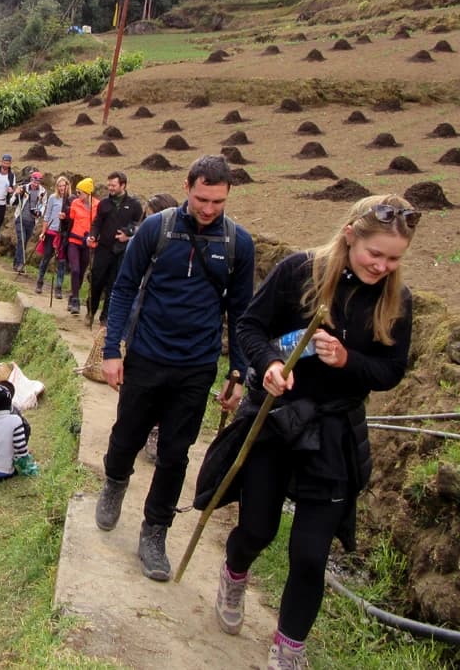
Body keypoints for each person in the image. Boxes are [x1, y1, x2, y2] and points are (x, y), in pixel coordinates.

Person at [213, 194, 419, 670]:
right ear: (351, 235)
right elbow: (249, 326)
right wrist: (266, 365)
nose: (383, 266)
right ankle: (234, 571)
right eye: (376, 254)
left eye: (394, 259)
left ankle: (288, 650)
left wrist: (350, 361)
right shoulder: (297, 272)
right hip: (276, 420)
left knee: (309, 555)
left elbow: (391, 371)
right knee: (257, 529)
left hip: (333, 432)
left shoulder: (396, 300)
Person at [95, 155, 255, 581]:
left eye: (218, 202)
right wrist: (113, 351)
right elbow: (125, 287)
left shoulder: (238, 243)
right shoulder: (157, 228)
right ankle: (114, 482)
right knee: (127, 435)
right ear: (187, 186)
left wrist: (237, 373)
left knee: (174, 454)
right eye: (202, 198)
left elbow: (241, 314)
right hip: (147, 356)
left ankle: (155, 532)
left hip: (197, 367)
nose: (208, 209)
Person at [138, 194, 180, 463]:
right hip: (146, 325)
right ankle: (147, 430)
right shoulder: (144, 241)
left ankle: (159, 432)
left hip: (177, 329)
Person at [85, 171, 143, 328]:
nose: (110, 188)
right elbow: (97, 223)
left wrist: (128, 234)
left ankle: (105, 317)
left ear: (123, 185)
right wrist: (92, 235)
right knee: (96, 281)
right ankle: (91, 310)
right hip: (102, 249)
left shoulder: (134, 205)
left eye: (113, 185)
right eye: (108, 184)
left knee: (113, 284)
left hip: (121, 251)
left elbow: (138, 225)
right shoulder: (104, 204)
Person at [35, 175, 71, 299]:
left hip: (63, 234)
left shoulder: (71, 200)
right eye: (59, 186)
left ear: (68, 186)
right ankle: (39, 281)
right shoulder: (52, 198)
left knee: (61, 262)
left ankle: (58, 287)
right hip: (51, 231)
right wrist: (43, 232)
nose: (62, 188)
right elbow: (47, 216)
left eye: (64, 186)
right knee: (46, 257)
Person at [66, 177, 98, 315]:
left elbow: (98, 224)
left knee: (81, 272)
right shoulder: (75, 203)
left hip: (87, 243)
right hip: (73, 241)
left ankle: (73, 295)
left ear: (87, 193)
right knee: (75, 270)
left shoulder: (98, 205)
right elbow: (70, 222)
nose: (77, 195)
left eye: (80, 192)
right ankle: (76, 301)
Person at [10, 171, 47, 273]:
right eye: (35, 180)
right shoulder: (23, 188)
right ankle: (21, 264)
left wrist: (40, 212)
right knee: (22, 240)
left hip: (32, 221)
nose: (36, 183)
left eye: (38, 181)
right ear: (31, 180)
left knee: (24, 242)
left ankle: (16, 263)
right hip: (20, 218)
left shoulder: (43, 192)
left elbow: (44, 204)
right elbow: (11, 202)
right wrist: (16, 193)